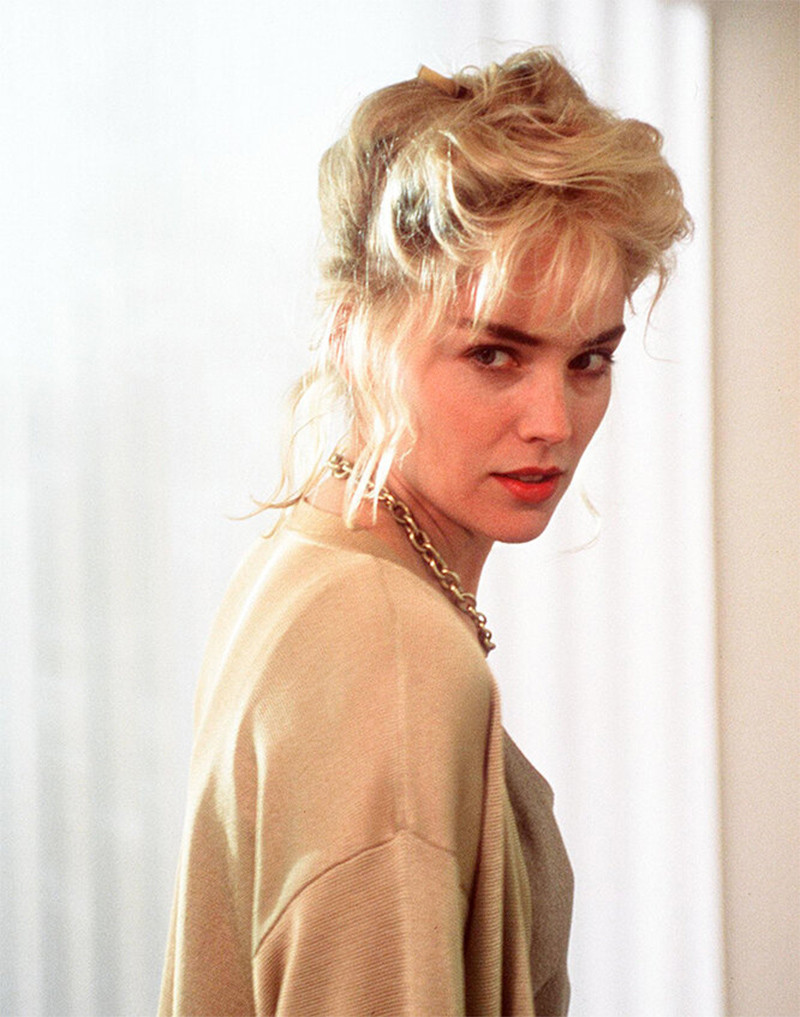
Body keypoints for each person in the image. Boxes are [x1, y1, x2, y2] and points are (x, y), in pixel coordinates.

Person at [158, 49, 690, 1016]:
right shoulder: (392, 651)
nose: (553, 422)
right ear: (351, 330)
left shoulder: (312, 556)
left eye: (589, 360)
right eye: (495, 353)